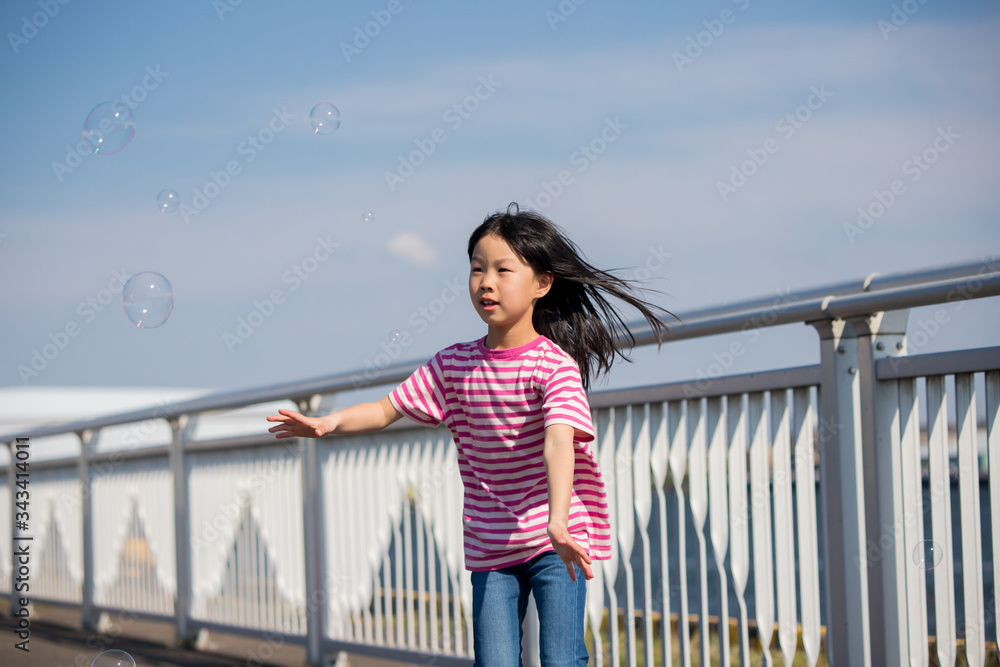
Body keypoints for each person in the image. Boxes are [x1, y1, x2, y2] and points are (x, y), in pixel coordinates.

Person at [267, 203, 675, 665]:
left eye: (503, 270)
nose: (486, 282)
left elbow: (559, 441)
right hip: (490, 542)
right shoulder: (454, 365)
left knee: (561, 659)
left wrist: (558, 519)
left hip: (555, 537)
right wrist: (329, 423)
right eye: (477, 269)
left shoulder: (553, 366)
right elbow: (384, 409)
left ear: (542, 283)